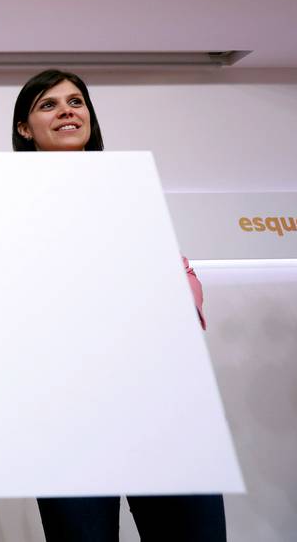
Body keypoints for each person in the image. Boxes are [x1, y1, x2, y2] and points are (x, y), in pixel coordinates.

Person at [12, 69, 225, 541]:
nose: (68, 110)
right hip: (69, 410)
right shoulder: (7, 204)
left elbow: (180, 276)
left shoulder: (130, 186)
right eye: (48, 105)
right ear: (24, 129)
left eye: (76, 101)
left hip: (161, 398)